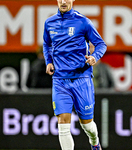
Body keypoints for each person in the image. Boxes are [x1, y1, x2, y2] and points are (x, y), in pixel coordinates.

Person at [43, 0, 107, 149]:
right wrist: (49, 61)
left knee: (87, 125)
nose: (63, 2)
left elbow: (101, 44)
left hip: (81, 79)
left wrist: (94, 57)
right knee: (63, 124)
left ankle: (95, 142)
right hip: (60, 80)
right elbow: (47, 44)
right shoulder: (49, 23)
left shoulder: (83, 22)